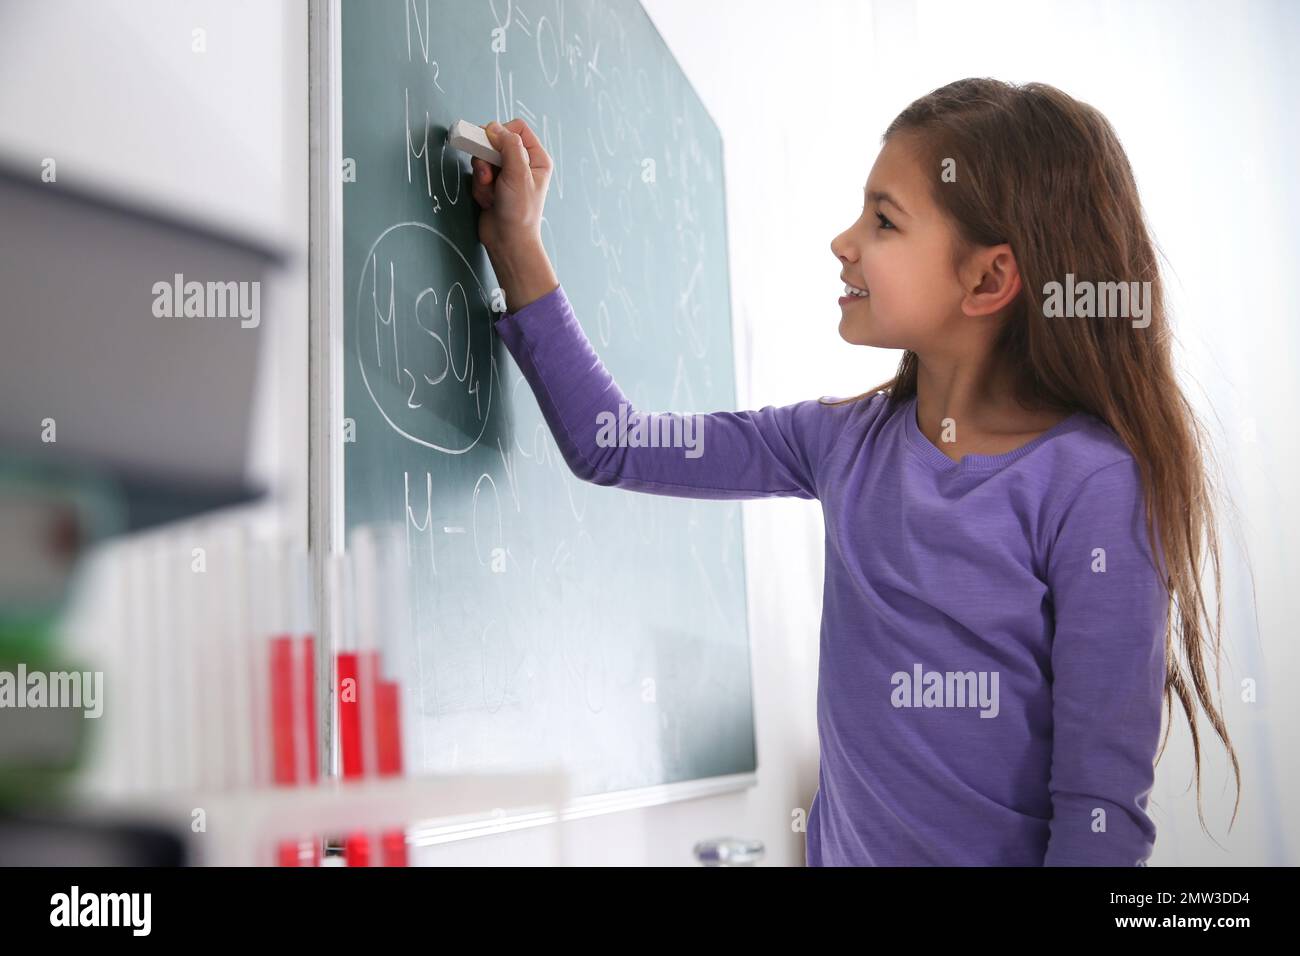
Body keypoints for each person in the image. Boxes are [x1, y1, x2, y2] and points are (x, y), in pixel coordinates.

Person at [469, 77, 1240, 866]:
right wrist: (517, 244)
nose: (845, 241)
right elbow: (615, 442)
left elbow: (1099, 817)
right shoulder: (839, 442)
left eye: (884, 221)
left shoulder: (1093, 487)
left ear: (987, 280)